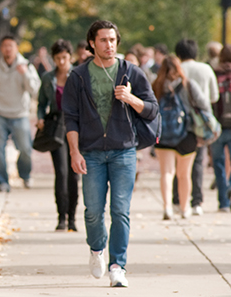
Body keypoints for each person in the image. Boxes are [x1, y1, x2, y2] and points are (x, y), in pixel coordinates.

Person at [62, 20, 158, 287]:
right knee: (93, 211)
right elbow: (70, 118)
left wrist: (130, 98)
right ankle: (96, 249)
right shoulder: (78, 76)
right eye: (103, 40)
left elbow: (151, 109)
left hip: (123, 152)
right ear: (92, 43)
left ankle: (118, 266)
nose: (109, 45)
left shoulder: (131, 72)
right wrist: (74, 152)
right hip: (91, 152)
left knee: (120, 210)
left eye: (113, 40)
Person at [0, 34, 41, 192]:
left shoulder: (26, 66)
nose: (7, 49)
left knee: (25, 150)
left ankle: (25, 175)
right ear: (0, 48)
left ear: (16, 48)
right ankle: (3, 182)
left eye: (10, 45)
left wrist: (25, 74)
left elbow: (36, 92)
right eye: (5, 46)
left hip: (20, 115)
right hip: (1, 115)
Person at [152, 55, 210, 219]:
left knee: (166, 173)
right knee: (184, 174)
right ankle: (185, 209)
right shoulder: (188, 85)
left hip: (163, 134)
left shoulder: (156, 86)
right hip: (187, 134)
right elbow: (204, 105)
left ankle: (167, 208)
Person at [172, 39, 219, 216]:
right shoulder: (206, 69)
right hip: (200, 124)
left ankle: (178, 199)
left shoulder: (176, 70)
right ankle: (196, 201)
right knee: (198, 163)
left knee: (179, 161)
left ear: (178, 54)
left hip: (179, 123)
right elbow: (214, 97)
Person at [37, 39, 79, 232]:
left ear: (70, 57)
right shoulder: (48, 78)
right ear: (53, 59)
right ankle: (61, 217)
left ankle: (72, 218)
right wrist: (40, 118)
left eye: (65, 58)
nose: (62, 62)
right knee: (61, 172)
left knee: (74, 174)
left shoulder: (79, 75)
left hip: (76, 126)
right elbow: (41, 103)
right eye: (58, 58)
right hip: (56, 125)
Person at [210, 44, 231, 212]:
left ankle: (223, 201)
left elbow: (211, 98)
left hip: (217, 126)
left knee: (218, 164)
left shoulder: (214, 73)